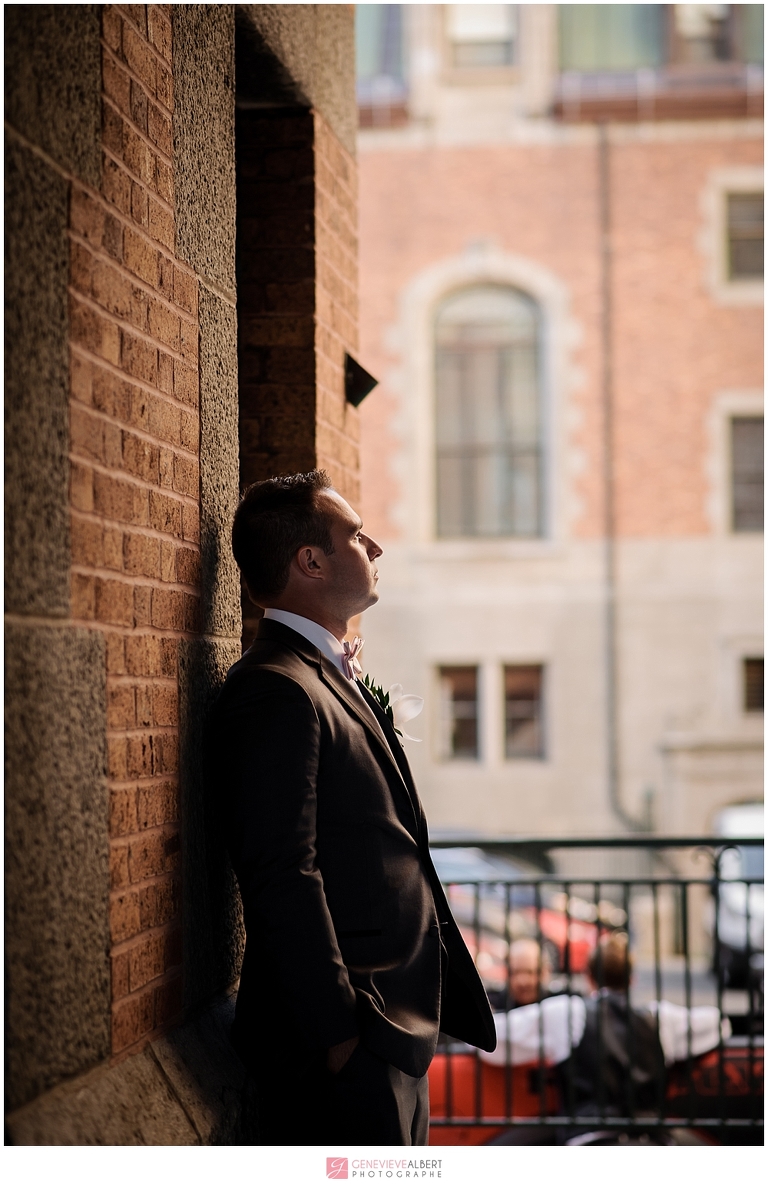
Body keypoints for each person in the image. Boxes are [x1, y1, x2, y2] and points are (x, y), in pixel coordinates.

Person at [206, 471, 496, 1144]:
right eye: (355, 535)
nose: (375, 547)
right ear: (311, 561)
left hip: (396, 1034)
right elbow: (283, 871)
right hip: (349, 1047)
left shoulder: (323, 676)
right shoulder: (274, 690)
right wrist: (341, 1037)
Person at [483, 933, 730, 1143]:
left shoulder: (567, 1013)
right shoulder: (660, 1018)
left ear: (589, 977)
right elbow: (720, 1024)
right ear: (633, 979)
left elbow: (489, 1040)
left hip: (590, 1138)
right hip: (650, 1139)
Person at [488, 938, 553, 1010]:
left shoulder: (557, 1002)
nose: (522, 981)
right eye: (515, 973)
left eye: (529, 972)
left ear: (545, 972)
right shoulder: (490, 1003)